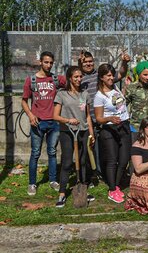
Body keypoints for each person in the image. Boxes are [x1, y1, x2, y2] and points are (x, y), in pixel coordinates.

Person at [22, 51, 66, 196]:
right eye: (46, 62)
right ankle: (32, 183)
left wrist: (80, 63)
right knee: (35, 153)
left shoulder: (55, 79)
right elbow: (24, 100)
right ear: (40, 62)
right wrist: (30, 114)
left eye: (51, 63)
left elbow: (74, 78)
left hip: (53, 123)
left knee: (52, 152)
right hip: (38, 123)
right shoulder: (31, 80)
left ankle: (53, 180)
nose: (48, 65)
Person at [79, 50, 130, 174]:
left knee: (104, 150)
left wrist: (124, 62)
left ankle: (102, 172)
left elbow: (121, 74)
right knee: (88, 149)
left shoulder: (101, 75)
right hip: (88, 119)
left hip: (104, 119)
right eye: (85, 62)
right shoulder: (80, 77)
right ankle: (90, 175)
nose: (88, 64)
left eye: (90, 61)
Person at [52, 66, 94, 207]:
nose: (79, 79)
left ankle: (82, 188)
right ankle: (62, 193)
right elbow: (55, 116)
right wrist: (68, 120)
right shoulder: (61, 94)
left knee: (82, 162)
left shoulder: (85, 94)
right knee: (67, 163)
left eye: (80, 76)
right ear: (70, 78)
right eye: (76, 77)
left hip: (82, 131)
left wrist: (91, 133)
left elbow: (88, 116)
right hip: (68, 132)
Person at [94, 63, 132, 203]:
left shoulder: (115, 87)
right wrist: (110, 118)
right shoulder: (99, 95)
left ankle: (116, 185)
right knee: (112, 160)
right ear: (102, 77)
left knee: (123, 159)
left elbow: (122, 72)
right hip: (109, 129)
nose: (111, 78)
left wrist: (125, 63)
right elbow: (98, 118)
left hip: (124, 125)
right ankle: (111, 189)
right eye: (108, 76)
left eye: (112, 75)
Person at [124, 60, 148, 141]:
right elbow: (123, 104)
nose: (147, 77)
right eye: (145, 75)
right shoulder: (131, 88)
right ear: (139, 74)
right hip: (136, 127)